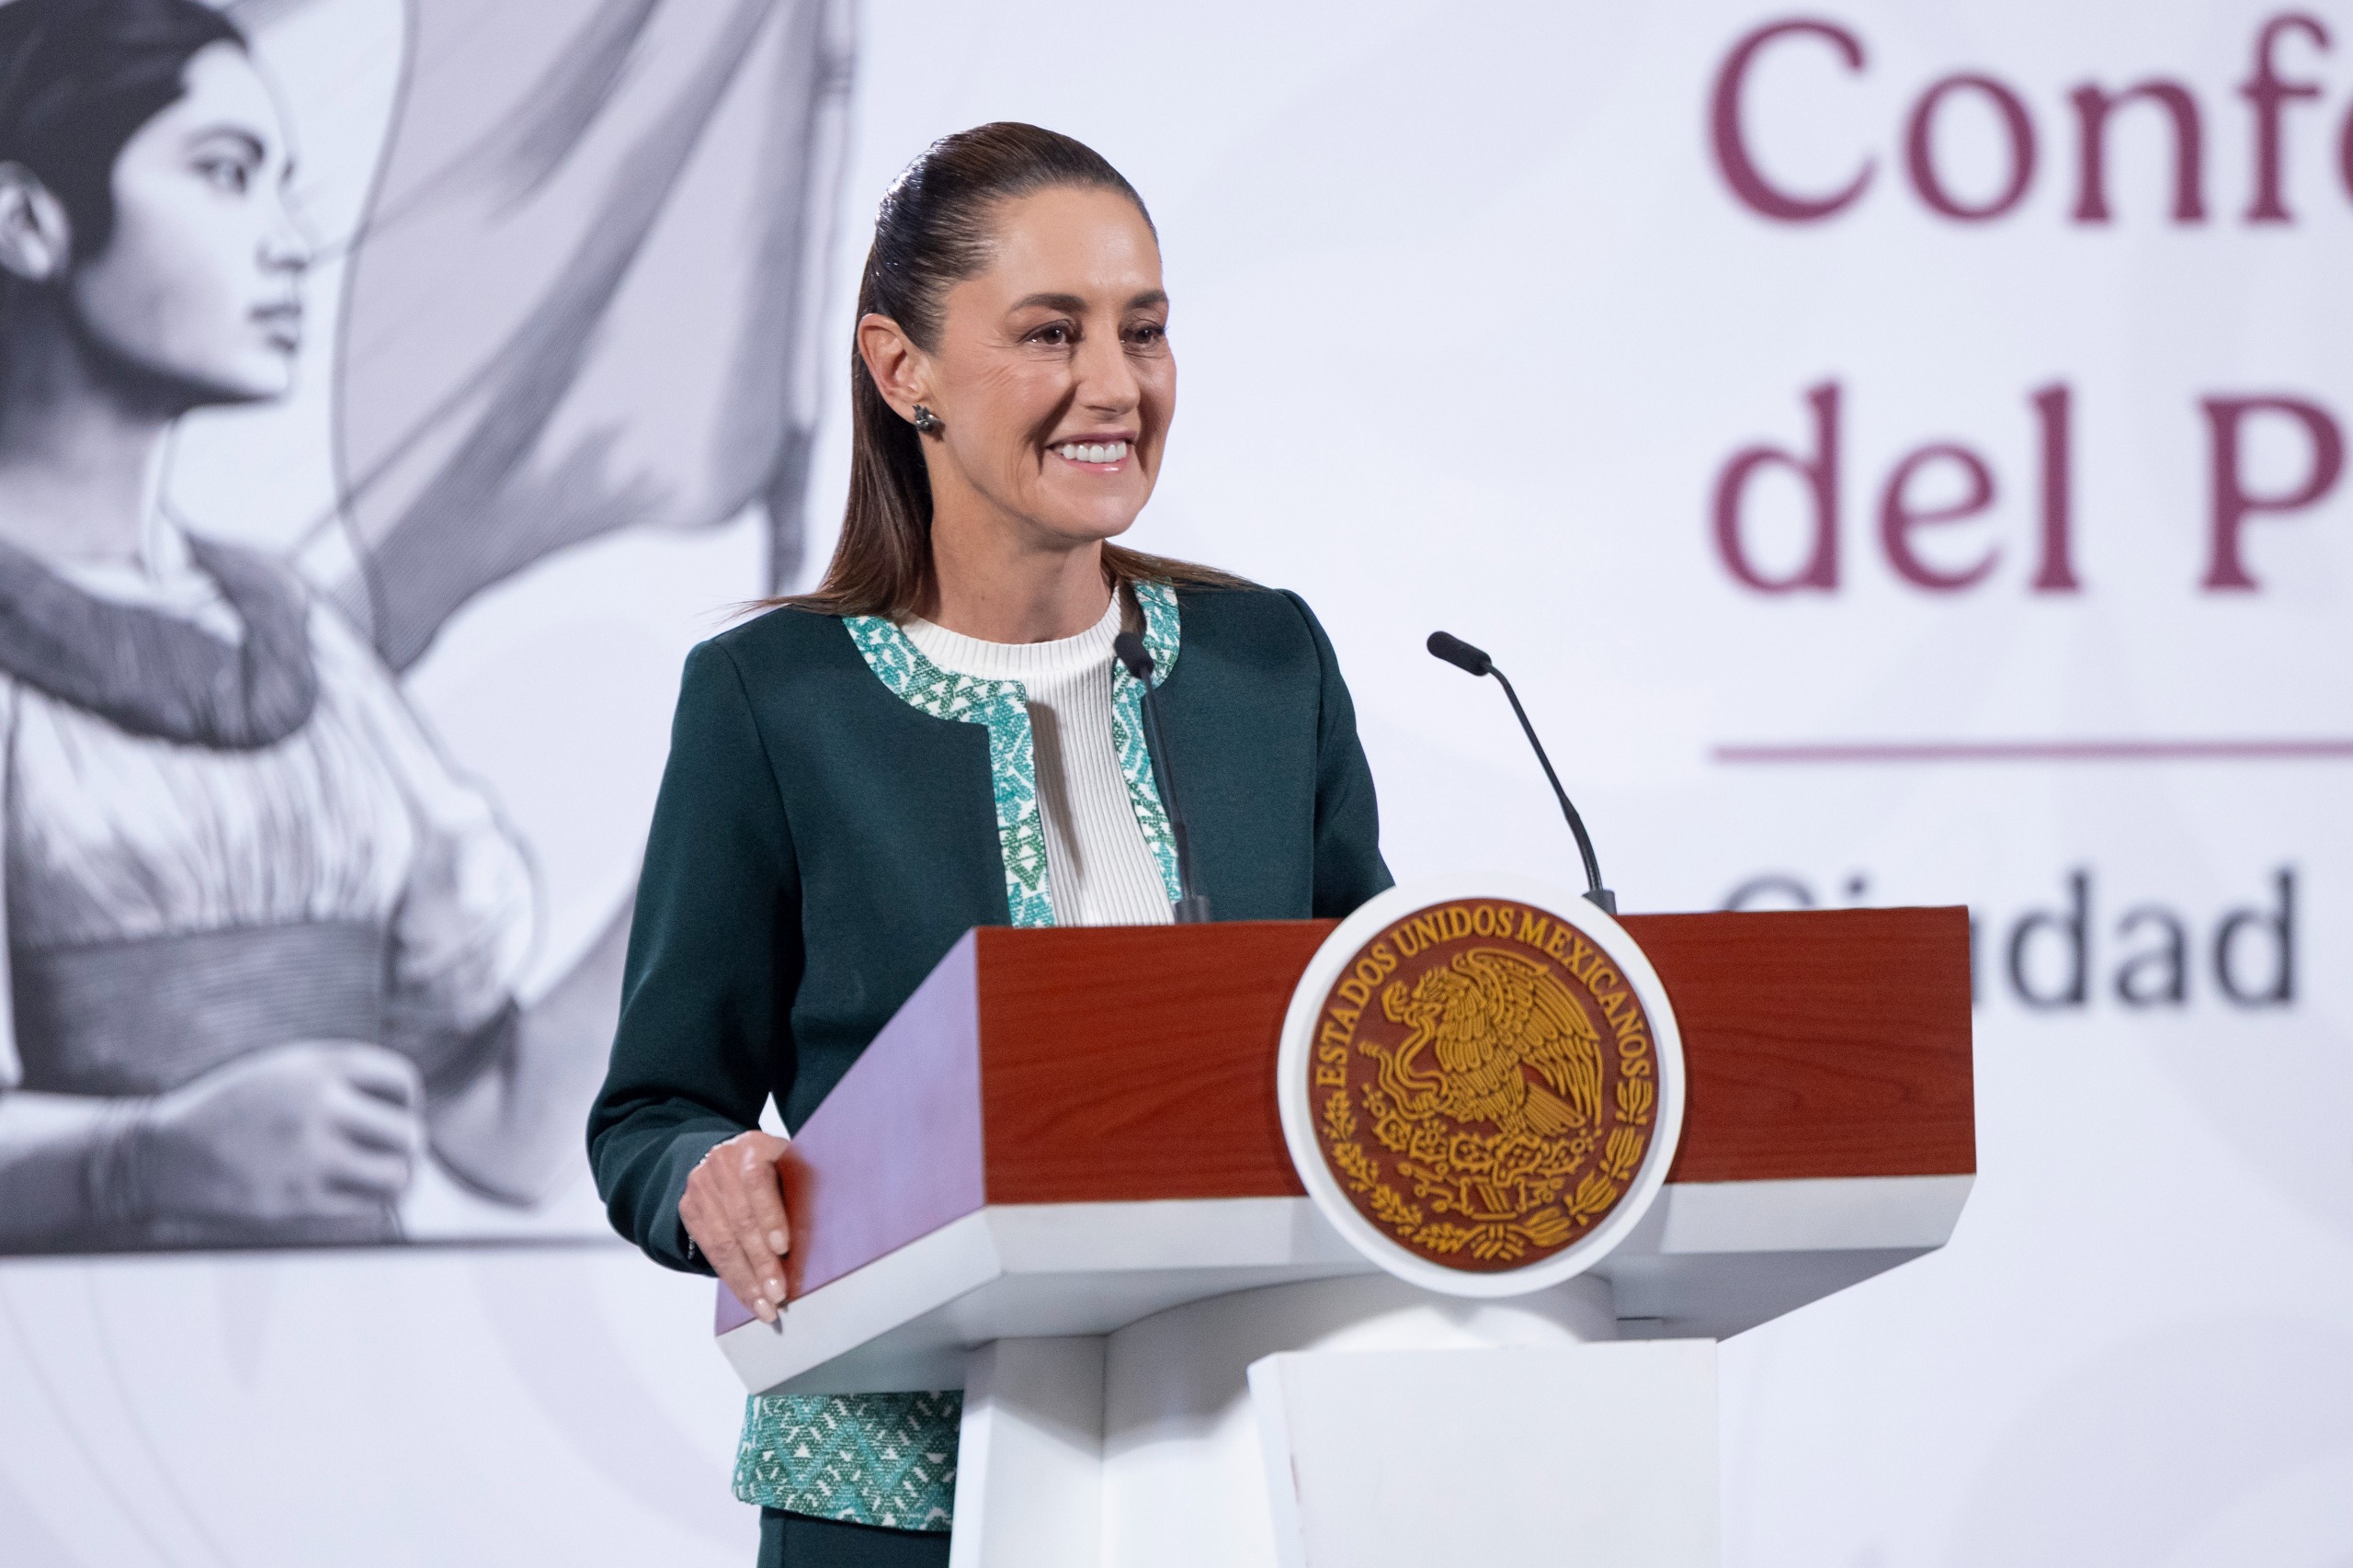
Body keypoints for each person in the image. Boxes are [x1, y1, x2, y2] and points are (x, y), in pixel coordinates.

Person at [591, 123, 1392, 1565]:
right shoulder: (775, 701)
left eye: (1144, 329)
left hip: (1232, 1476)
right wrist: (708, 1173)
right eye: (1050, 333)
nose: (1117, 384)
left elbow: (1375, 1030)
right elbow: (653, 1111)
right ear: (902, 370)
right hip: (896, 1501)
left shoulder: (1269, 666)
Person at [0, 0, 602, 1251]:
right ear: (28, 220)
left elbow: (503, 1128)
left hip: (344, 1349)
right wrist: (142, 1157)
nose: (288, 243)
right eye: (225, 175)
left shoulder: (296, 635)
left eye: (281, 184)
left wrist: (742, 821)